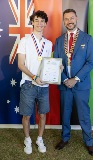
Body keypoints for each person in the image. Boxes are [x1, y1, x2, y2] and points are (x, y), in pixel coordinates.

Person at [54, 9, 93, 156]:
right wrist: (65, 79)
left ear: (77, 19)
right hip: (65, 83)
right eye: (66, 19)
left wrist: (75, 79)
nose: (69, 21)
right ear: (64, 21)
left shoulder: (87, 38)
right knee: (65, 113)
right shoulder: (59, 40)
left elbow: (90, 63)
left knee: (84, 114)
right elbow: (56, 63)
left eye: (72, 18)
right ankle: (65, 138)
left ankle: (89, 142)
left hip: (81, 84)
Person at [17, 10, 52, 154]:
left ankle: (39, 138)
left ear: (45, 24)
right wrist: (33, 77)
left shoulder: (48, 43)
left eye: (42, 21)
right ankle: (27, 139)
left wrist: (57, 67)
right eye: (36, 20)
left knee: (42, 114)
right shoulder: (24, 40)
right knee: (27, 115)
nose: (39, 23)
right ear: (32, 22)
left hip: (44, 86)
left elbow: (49, 64)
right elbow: (20, 64)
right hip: (28, 84)